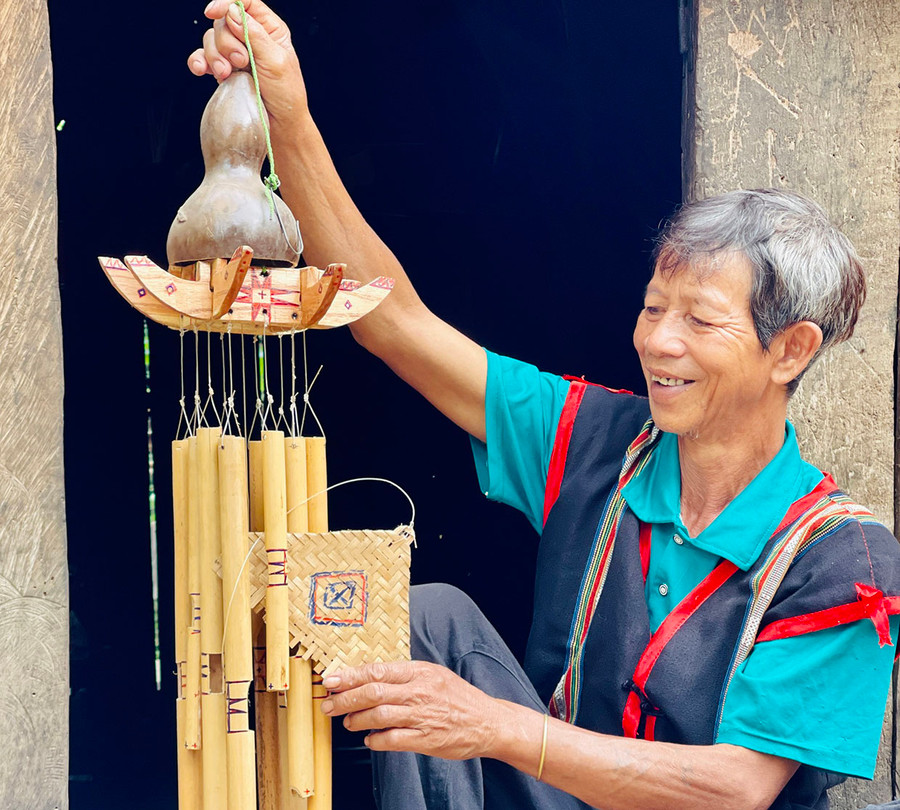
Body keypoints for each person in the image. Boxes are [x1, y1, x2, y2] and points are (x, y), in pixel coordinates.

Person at [189, 4, 900, 808]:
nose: (659, 341)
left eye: (700, 321)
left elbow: (737, 790)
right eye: (652, 307)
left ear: (790, 351)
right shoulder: (595, 441)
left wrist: (495, 727)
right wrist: (288, 116)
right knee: (433, 620)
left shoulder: (844, 558)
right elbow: (391, 320)